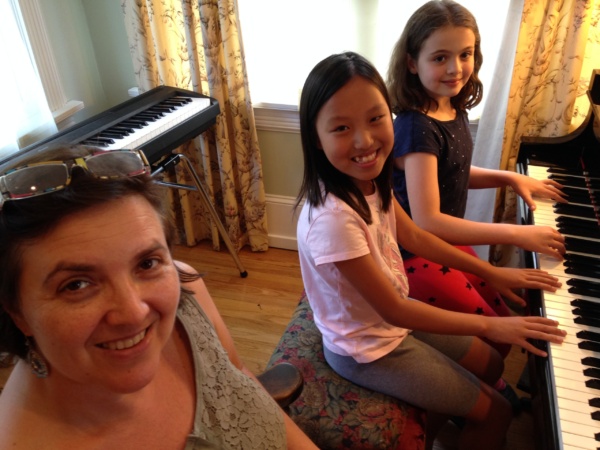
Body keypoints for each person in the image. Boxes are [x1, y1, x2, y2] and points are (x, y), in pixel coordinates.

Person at [295, 51, 566, 450]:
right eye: (340, 127)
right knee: (498, 413)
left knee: (492, 363)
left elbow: (416, 238)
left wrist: (493, 272)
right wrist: (492, 324)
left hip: (389, 324)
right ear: (315, 139)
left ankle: (448, 418)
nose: (364, 140)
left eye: (376, 118)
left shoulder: (369, 180)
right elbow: (396, 310)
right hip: (366, 349)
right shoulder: (333, 220)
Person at [0, 145, 317, 450]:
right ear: (17, 312)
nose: (134, 313)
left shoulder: (187, 292)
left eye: (146, 263)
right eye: (76, 285)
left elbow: (242, 386)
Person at [385, 0, 567, 407]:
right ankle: (468, 398)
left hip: (445, 248)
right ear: (413, 62)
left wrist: (506, 176)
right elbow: (428, 220)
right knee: (490, 335)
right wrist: (517, 233)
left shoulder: (449, 106)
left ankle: (486, 385)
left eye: (465, 55)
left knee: (504, 320)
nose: (455, 69)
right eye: (440, 57)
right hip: (416, 257)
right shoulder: (416, 127)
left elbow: (452, 171)